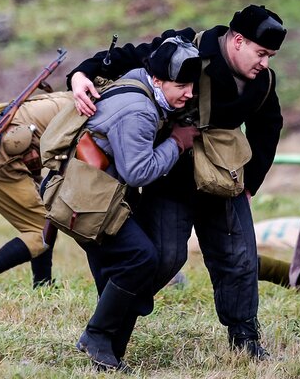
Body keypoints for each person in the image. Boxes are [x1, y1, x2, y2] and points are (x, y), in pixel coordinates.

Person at [69, 5, 286, 360]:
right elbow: (134, 58)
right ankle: (106, 332)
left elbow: (268, 127)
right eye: (260, 53)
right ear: (237, 40)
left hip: (224, 176)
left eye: (270, 56)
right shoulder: (188, 48)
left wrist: (251, 182)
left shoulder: (263, 82)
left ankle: (245, 338)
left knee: (240, 258)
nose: (264, 62)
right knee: (163, 258)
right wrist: (81, 73)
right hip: (171, 175)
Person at [66, 36, 201, 372]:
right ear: (157, 80)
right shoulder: (140, 110)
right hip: (86, 197)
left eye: (193, 85)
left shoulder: (140, 80)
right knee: (141, 257)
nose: (189, 94)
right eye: (181, 85)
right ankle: (95, 335)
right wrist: (177, 143)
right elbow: (139, 172)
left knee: (119, 270)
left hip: (86, 189)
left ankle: (108, 357)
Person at [0, 92, 72, 291]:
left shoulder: (67, 98)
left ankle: (43, 285)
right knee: (40, 230)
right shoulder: (85, 108)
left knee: (43, 218)